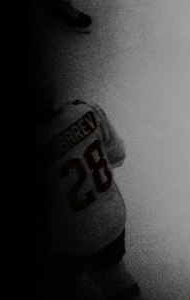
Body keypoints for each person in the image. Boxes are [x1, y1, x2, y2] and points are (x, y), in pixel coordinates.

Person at [38, 94, 140, 298]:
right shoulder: (86, 111)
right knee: (114, 275)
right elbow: (117, 155)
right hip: (111, 218)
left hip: (68, 238)